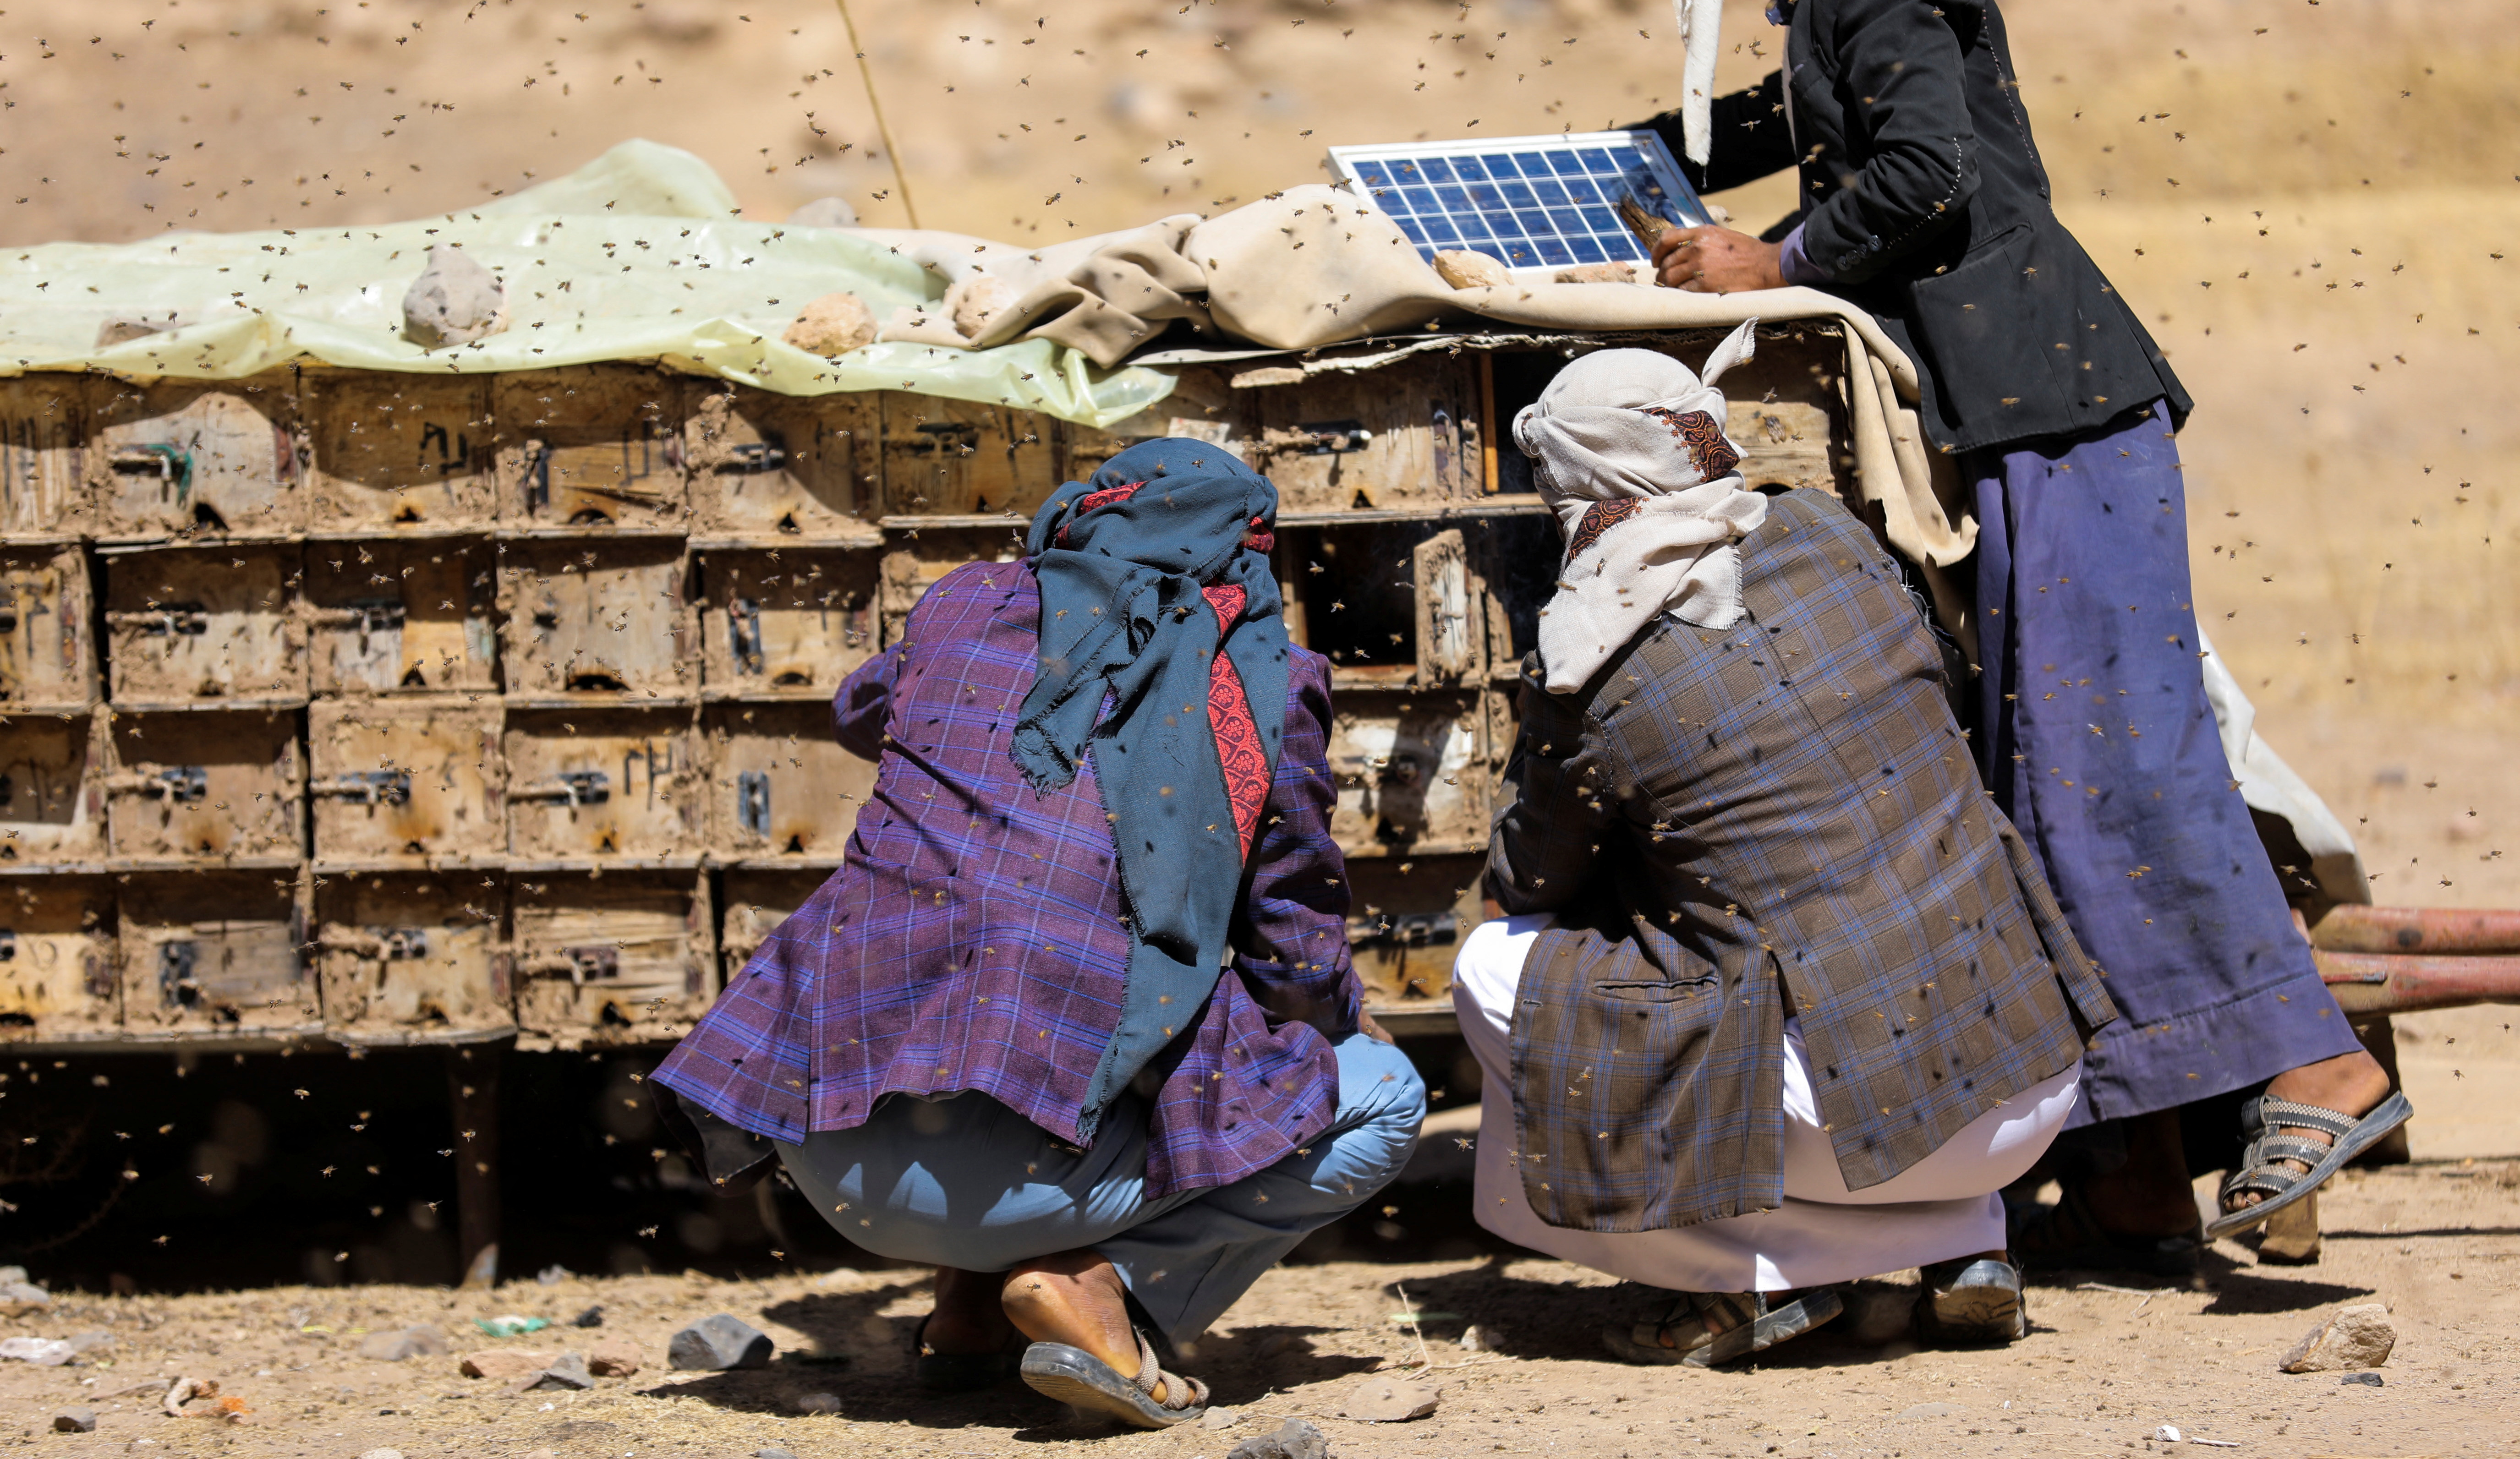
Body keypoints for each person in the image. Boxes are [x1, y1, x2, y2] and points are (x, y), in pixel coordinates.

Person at [1627, 0, 2406, 1267]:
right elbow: (1789, 126)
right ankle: (2132, 1169)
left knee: (2115, 753)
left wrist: (1774, 256)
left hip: (2055, 408)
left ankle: (2317, 1059)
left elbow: (1932, 172)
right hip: (2018, 420)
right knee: (2034, 775)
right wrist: (1606, 160)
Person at [647, 439, 1425, 1428]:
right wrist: (1340, 1022)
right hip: (1021, 1175)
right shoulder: (1267, 682)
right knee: (1376, 1092)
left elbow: (857, 709)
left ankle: (968, 1311)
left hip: (824, 1144)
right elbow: (1292, 938)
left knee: (954, 966)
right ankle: (1103, 1288)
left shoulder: (962, 608)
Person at [1455, 342, 2115, 1364]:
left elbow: (1524, 879)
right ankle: (1968, 1245)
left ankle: (1745, 1278)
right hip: (2033, 1079)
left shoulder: (1595, 661)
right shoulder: (1829, 529)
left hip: (1855, 1129)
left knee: (1494, 967)